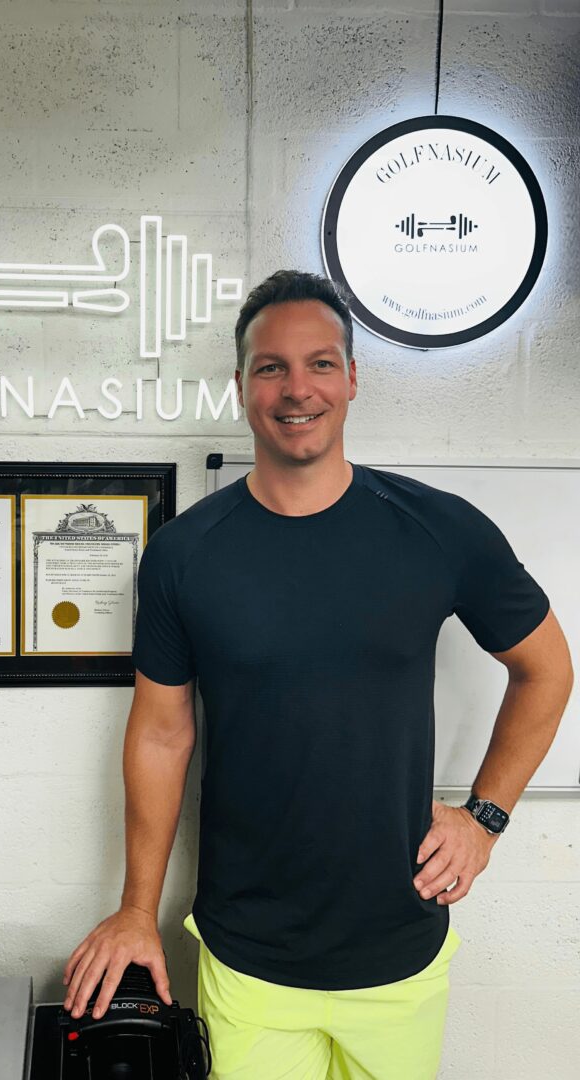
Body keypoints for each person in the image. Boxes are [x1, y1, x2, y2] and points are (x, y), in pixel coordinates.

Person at [63, 271, 573, 1079]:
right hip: (247, 958)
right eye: (271, 367)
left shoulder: (439, 530)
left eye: (321, 364)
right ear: (241, 385)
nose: (297, 389)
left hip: (399, 950)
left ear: (353, 378)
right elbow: (161, 734)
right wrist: (136, 910)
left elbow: (546, 669)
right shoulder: (183, 555)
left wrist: (484, 820)